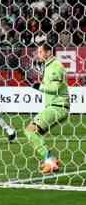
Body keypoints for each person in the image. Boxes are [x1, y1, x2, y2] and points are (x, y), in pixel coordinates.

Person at [25, 45, 69, 175]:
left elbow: (55, 88)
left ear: (48, 52)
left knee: (30, 131)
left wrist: (38, 86)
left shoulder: (56, 66)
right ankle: (53, 161)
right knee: (36, 134)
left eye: (40, 51)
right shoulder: (49, 66)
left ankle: (50, 161)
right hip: (56, 107)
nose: (38, 54)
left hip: (57, 107)